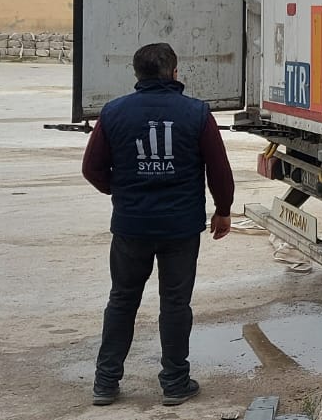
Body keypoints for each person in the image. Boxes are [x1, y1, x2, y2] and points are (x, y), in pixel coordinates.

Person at [80, 42, 234, 407]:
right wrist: (223, 209)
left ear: (136, 74)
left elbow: (91, 169)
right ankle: (175, 383)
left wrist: (120, 191)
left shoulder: (113, 112)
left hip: (131, 225)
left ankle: (105, 383)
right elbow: (219, 170)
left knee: (122, 300)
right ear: (175, 72)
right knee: (176, 304)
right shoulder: (197, 113)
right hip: (180, 227)